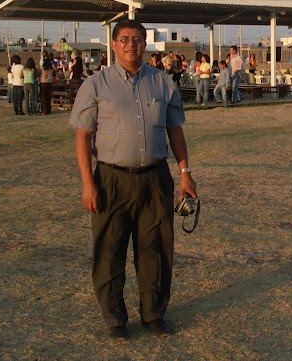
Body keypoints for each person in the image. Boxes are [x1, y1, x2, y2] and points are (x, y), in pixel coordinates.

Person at [69, 19, 197, 341]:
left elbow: (175, 131)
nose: (131, 44)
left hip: (155, 178)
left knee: (155, 250)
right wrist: (88, 183)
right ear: (113, 44)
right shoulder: (96, 85)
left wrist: (185, 174)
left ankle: (154, 314)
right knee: (110, 252)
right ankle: (115, 319)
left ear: (145, 44)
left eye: (137, 39)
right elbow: (83, 137)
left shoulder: (163, 83)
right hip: (112, 180)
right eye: (124, 39)